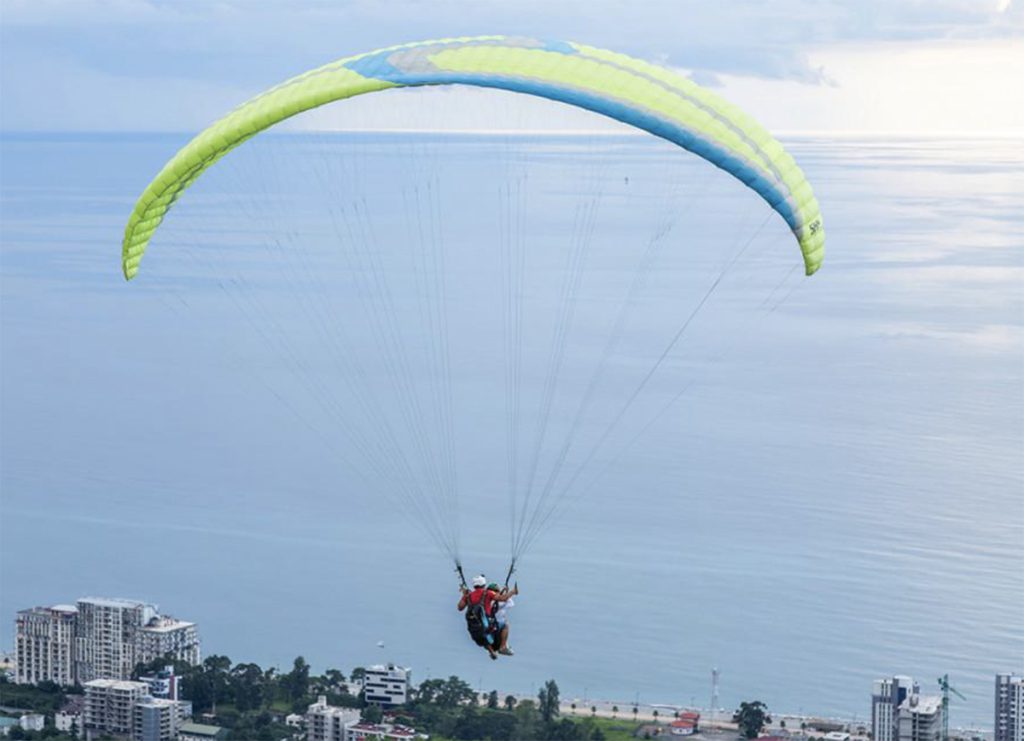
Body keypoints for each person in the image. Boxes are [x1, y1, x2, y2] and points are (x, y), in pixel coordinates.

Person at [457, 575, 513, 659]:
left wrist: (464, 595)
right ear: (484, 584)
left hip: (473, 627)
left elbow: (460, 608)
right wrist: (512, 592)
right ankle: (503, 647)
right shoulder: (487, 593)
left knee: (482, 636)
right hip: (486, 624)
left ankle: (492, 652)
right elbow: (503, 598)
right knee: (505, 625)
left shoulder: (468, 595)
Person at [489, 582, 519, 656]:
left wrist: (503, 592)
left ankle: (492, 650)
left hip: (488, 622)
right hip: (497, 623)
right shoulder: (501, 602)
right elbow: (510, 603)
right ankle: (503, 646)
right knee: (506, 625)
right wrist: (507, 593)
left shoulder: (487, 599)